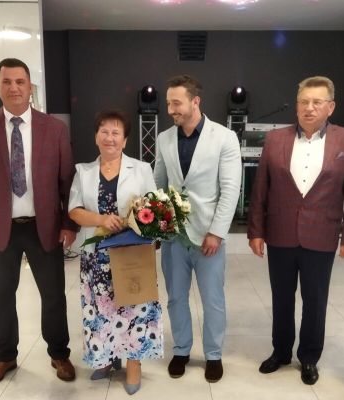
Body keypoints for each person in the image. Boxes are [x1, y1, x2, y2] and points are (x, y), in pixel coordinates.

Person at [0, 58, 77, 386]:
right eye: (7, 82)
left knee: (53, 295)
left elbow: (68, 182)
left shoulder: (54, 128)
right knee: (0, 296)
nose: (14, 88)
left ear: (30, 87)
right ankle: (4, 356)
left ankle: (59, 352)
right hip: (0, 229)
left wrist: (69, 224)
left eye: (20, 81)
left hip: (44, 227)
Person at [247, 76, 344, 384]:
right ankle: (281, 351)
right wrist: (256, 230)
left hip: (322, 235)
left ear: (330, 107)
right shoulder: (275, 139)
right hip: (280, 233)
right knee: (281, 297)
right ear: (296, 106)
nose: (309, 108)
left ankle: (309, 357)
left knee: (315, 300)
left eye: (316, 102)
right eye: (303, 102)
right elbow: (261, 188)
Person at [154, 74, 241, 383]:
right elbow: (159, 184)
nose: (170, 110)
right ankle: (181, 349)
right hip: (174, 236)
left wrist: (217, 232)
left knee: (212, 299)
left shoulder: (224, 138)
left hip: (208, 236)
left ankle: (213, 354)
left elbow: (230, 190)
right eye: (168, 103)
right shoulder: (164, 138)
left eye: (176, 103)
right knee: (176, 298)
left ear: (195, 101)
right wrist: (157, 227)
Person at [68, 110, 162, 395]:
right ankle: (107, 358)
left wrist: (140, 223)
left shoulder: (141, 169)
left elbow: (154, 210)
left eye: (116, 132)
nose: (110, 137)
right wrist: (101, 219)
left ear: (125, 139)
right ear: (96, 137)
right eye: (104, 131)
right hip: (96, 255)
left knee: (134, 308)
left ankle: (133, 364)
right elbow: (74, 210)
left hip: (131, 253)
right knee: (100, 309)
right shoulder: (83, 171)